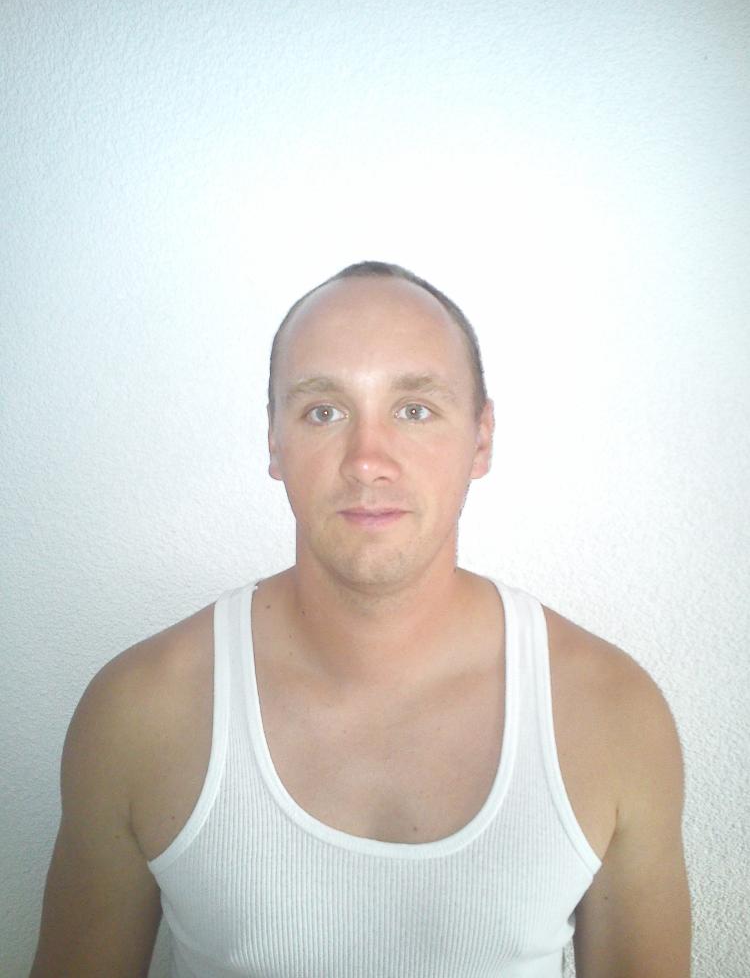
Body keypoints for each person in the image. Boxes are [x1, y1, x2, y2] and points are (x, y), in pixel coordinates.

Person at [29, 261, 692, 978]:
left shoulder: (612, 714)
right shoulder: (139, 712)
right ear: (275, 441)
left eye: (414, 410)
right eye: (324, 411)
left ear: (481, 440)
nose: (368, 461)